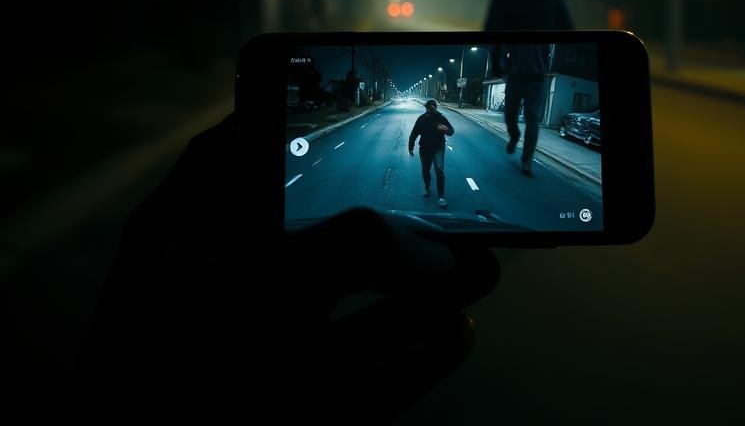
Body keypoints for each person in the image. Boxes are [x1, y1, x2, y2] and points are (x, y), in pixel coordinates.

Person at [80, 113, 497, 411]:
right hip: (425, 152)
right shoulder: (422, 123)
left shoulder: (438, 121)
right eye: (429, 112)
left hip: (437, 151)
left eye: (430, 111)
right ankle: (429, 187)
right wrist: (411, 144)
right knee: (428, 179)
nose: (429, 113)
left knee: (438, 175)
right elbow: (411, 136)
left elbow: (451, 130)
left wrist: (445, 129)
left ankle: (438, 192)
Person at [484, 0, 573, 176]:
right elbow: (569, 30)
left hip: (518, 71)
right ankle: (524, 157)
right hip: (536, 72)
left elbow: (492, 36)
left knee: (513, 115)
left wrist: (497, 64)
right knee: (530, 119)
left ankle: (518, 144)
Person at [408, 98, 455, 208]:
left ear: (436, 107)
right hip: (424, 149)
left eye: (433, 106)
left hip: (439, 149)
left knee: (439, 171)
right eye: (429, 107)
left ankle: (441, 197)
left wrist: (446, 130)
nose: (431, 108)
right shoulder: (421, 119)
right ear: (426, 108)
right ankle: (427, 188)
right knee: (425, 170)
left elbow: (451, 131)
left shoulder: (441, 118)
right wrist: (410, 147)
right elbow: (414, 133)